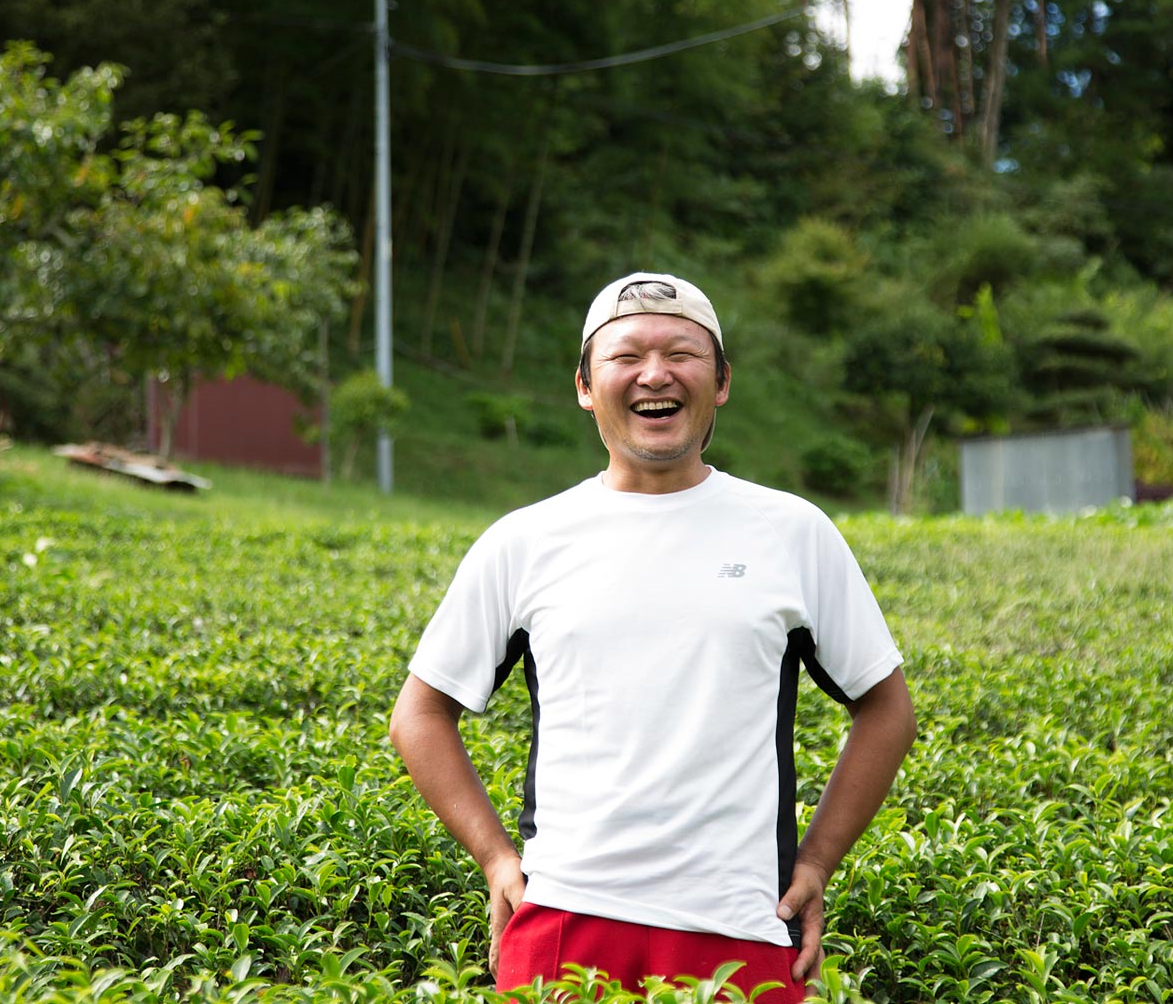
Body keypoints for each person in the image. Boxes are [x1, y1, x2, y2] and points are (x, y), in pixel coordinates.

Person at [389, 272, 916, 999]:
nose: (655, 374)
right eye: (626, 355)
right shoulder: (526, 540)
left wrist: (817, 861)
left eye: (682, 353)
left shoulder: (792, 532)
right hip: (565, 920)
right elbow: (419, 713)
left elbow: (886, 708)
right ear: (584, 385)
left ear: (722, 381)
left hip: (745, 930)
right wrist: (496, 860)